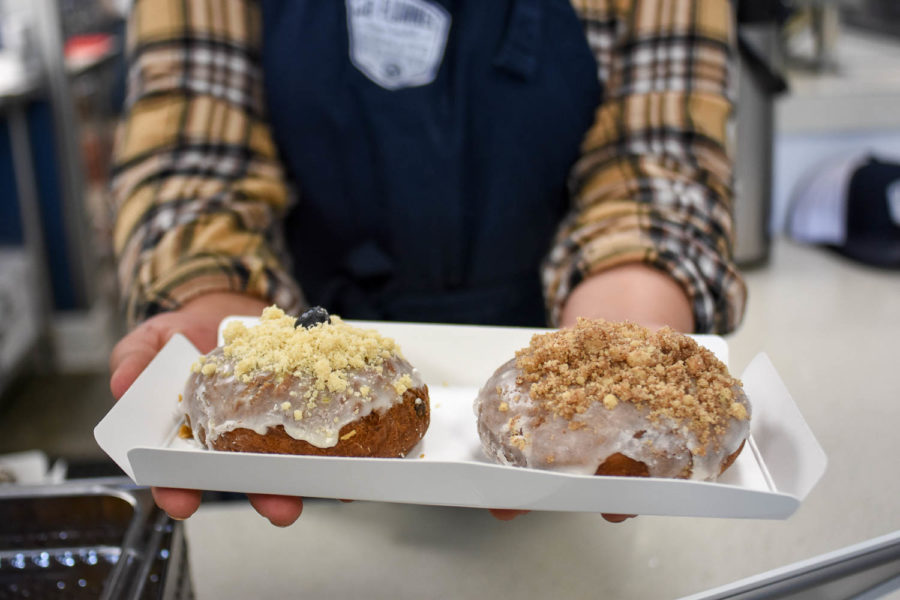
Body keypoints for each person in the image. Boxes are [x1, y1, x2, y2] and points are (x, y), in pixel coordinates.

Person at [109, 0, 747, 526]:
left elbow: (660, 161)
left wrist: (620, 371)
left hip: (554, 422)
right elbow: (192, 160)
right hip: (291, 424)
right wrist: (211, 297)